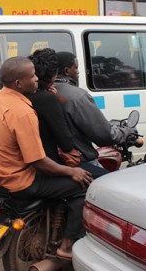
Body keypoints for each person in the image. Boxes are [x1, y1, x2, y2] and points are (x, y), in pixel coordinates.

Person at [0, 56, 93, 259]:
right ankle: (67, 245)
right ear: (19, 83)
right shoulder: (22, 112)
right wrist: (73, 171)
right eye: (32, 76)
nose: (37, 78)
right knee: (85, 186)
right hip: (20, 183)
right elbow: (38, 161)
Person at [27, 48, 108, 178]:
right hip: (52, 163)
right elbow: (66, 142)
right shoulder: (49, 99)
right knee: (105, 179)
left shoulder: (27, 95)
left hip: (33, 162)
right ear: (54, 75)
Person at [54, 51, 135, 170]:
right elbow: (105, 136)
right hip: (78, 161)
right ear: (67, 71)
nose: (78, 72)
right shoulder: (77, 96)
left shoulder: (46, 91)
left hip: (57, 160)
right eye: (76, 68)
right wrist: (126, 131)